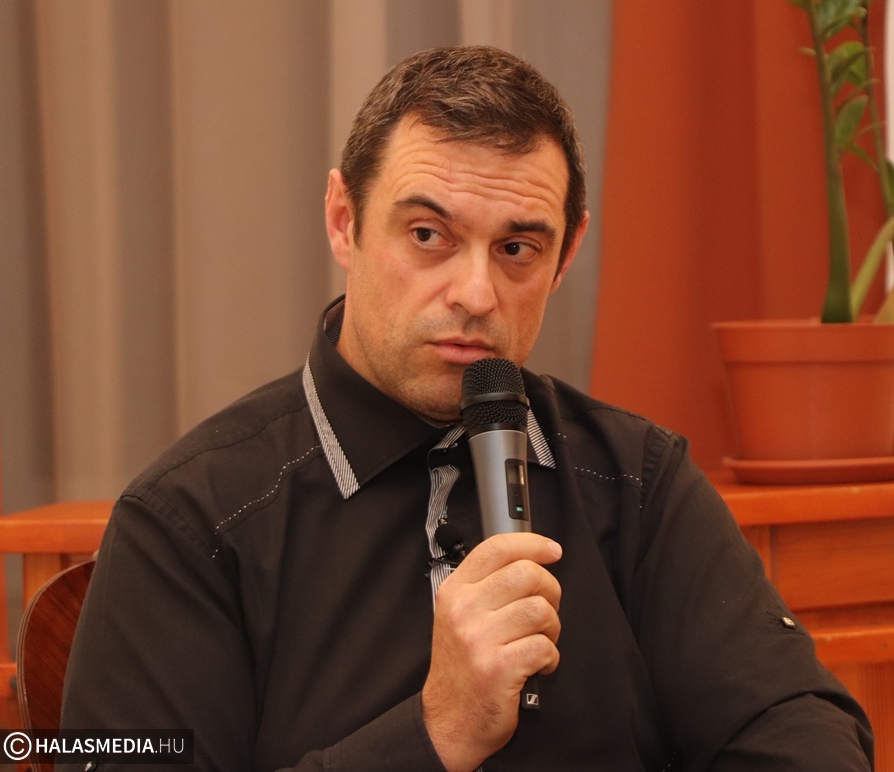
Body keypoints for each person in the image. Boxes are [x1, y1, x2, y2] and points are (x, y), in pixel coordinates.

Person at [60, 46, 873, 771]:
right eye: (428, 235)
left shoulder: (637, 482)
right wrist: (436, 730)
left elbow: (802, 733)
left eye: (517, 249)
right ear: (344, 221)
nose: (476, 293)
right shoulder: (190, 523)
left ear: (566, 255)